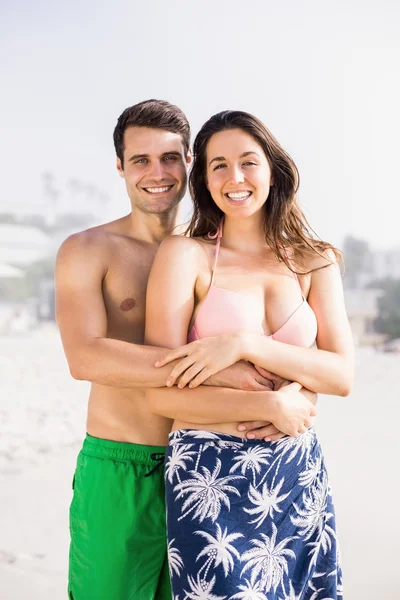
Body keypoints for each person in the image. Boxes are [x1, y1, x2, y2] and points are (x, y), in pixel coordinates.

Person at [56, 99, 300, 600]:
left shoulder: (214, 255)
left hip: (209, 466)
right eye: (140, 160)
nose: (157, 173)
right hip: (122, 464)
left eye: (170, 158)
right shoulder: (88, 249)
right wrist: (221, 372)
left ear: (191, 163)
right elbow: (85, 357)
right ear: (120, 167)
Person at [145, 110, 354, 599]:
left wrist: (244, 344)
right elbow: (160, 395)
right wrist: (269, 405)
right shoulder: (185, 256)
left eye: (247, 162)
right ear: (203, 179)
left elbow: (341, 375)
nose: (234, 178)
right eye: (217, 165)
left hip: (297, 473)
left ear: (273, 169)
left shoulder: (313, 259)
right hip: (208, 480)